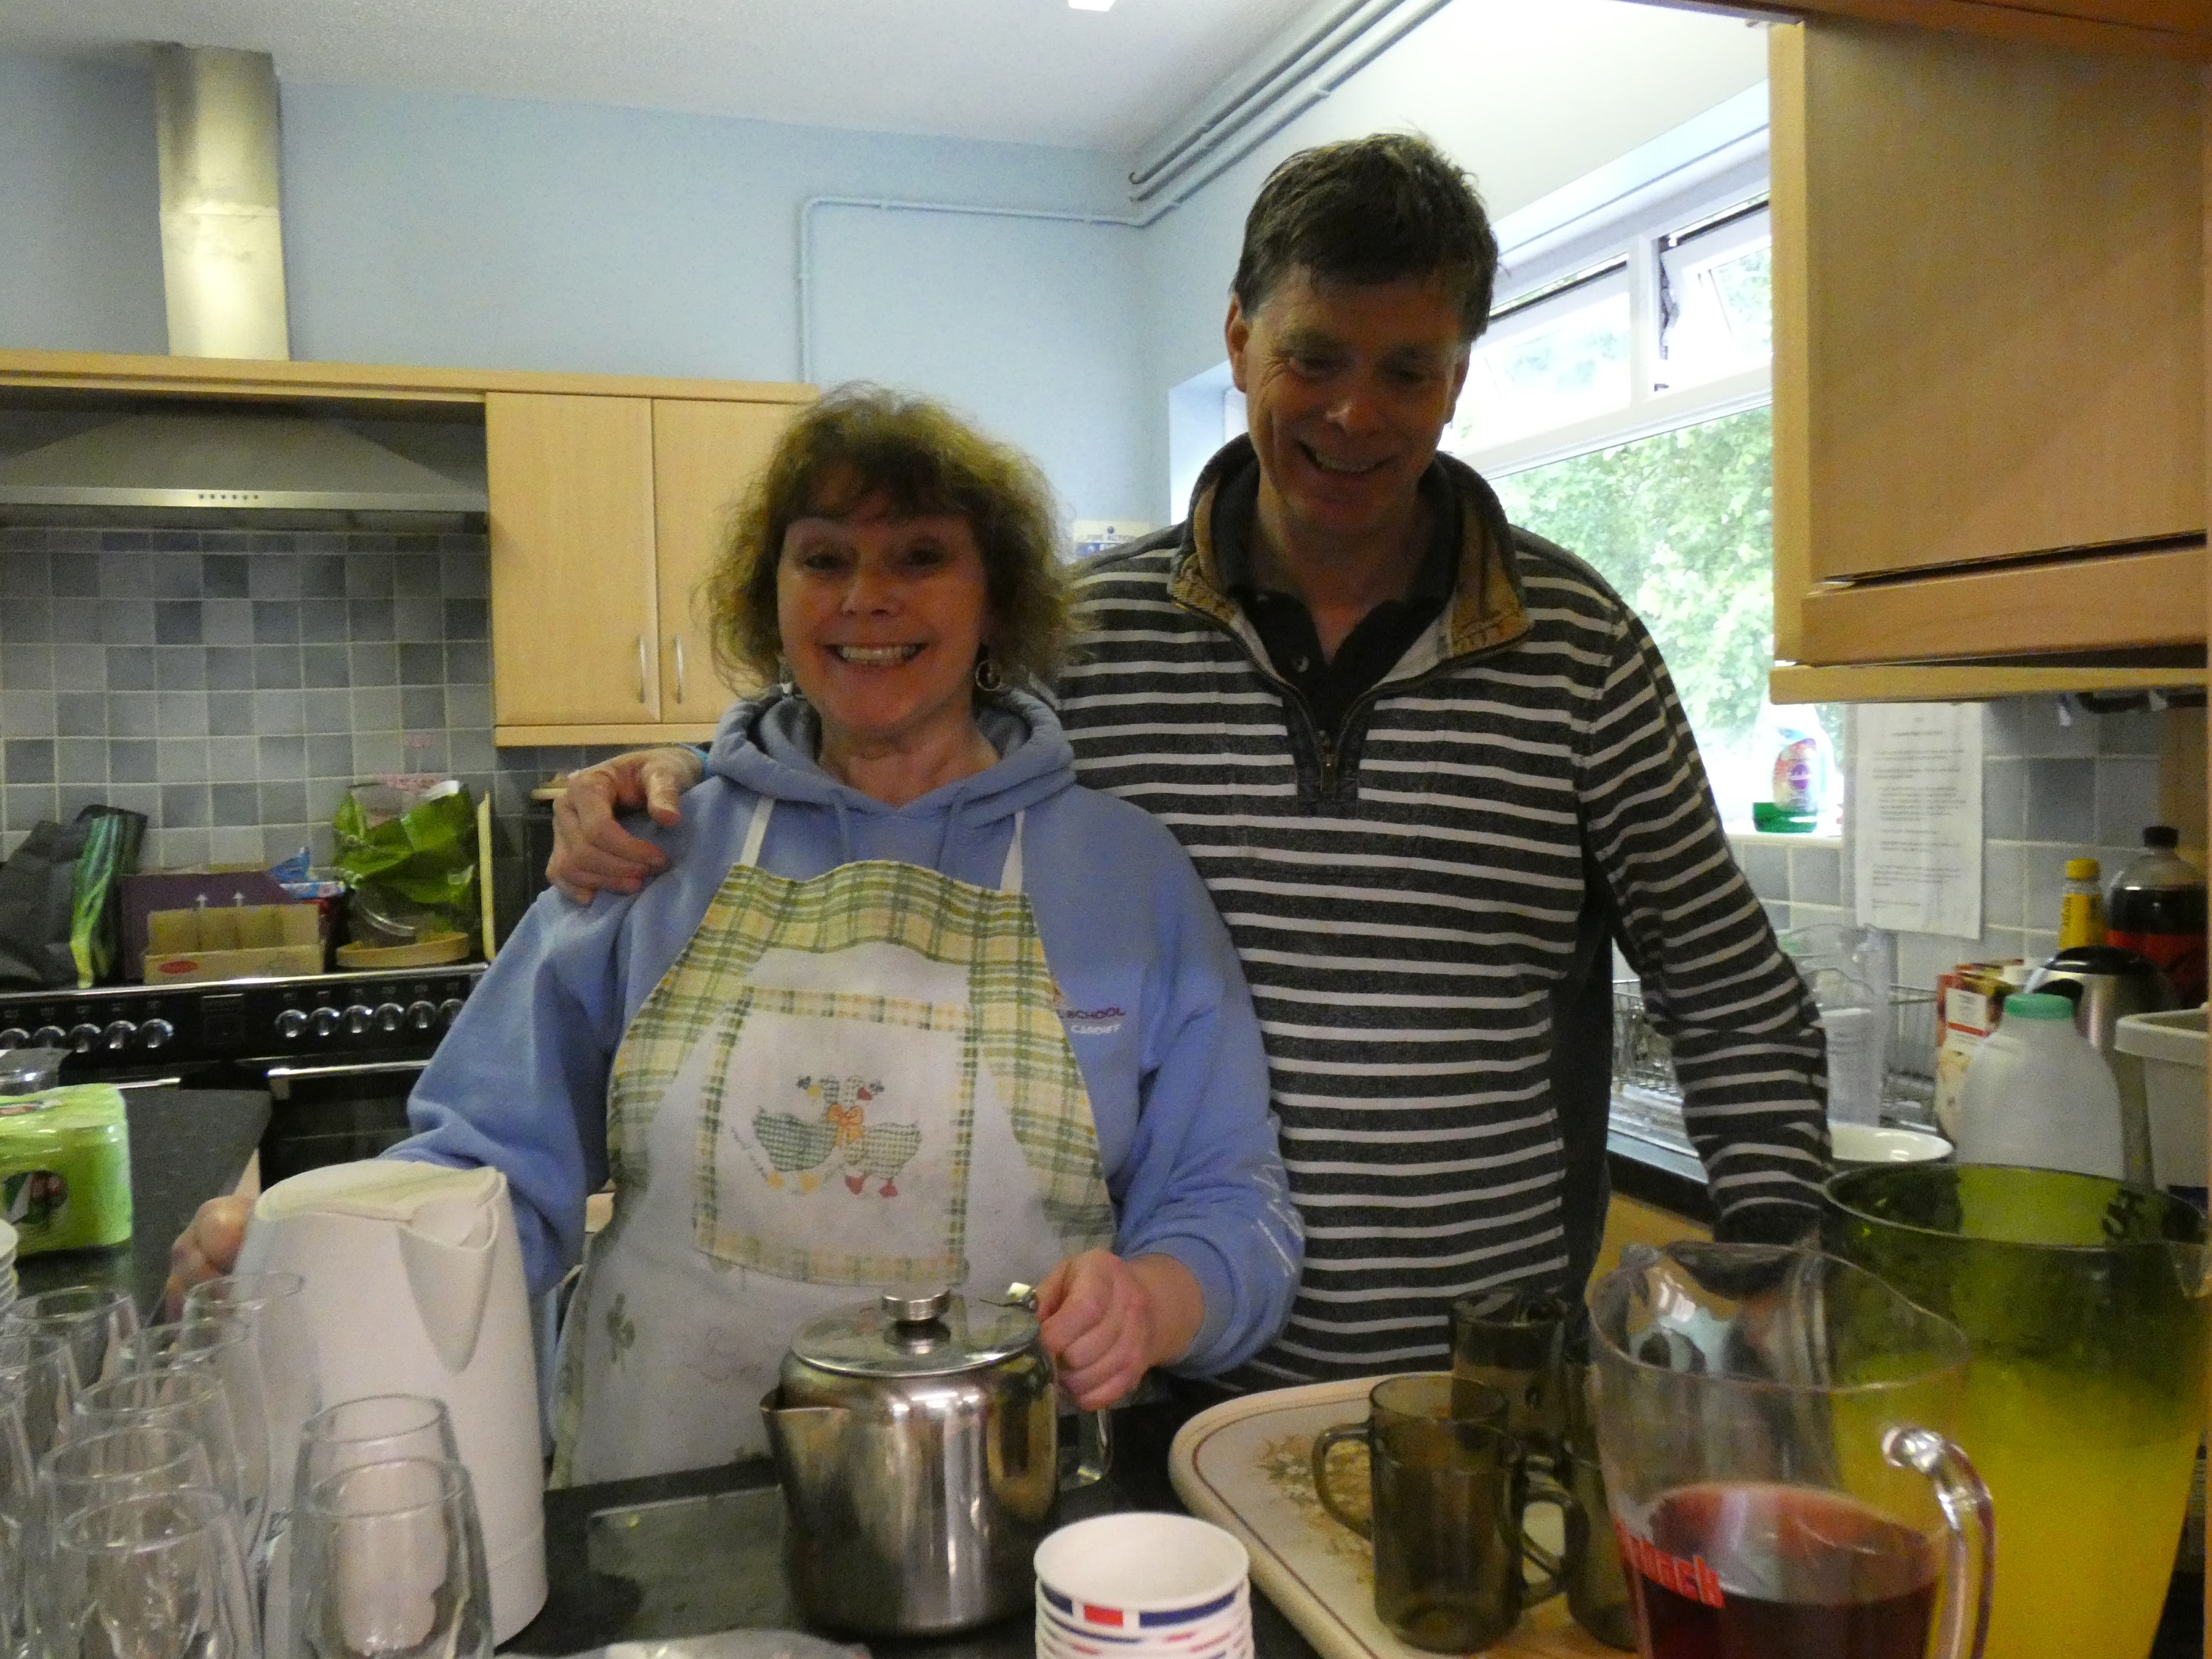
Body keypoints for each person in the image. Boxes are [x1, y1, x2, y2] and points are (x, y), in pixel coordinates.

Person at [536, 134, 1830, 1390]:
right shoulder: (1088, 637)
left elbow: (1727, 989)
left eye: (1405, 370)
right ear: (1238, 339)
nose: (1353, 412)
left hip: (1480, 1376)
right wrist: (678, 774)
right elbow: (872, 730)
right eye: (1311, 357)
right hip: (1155, 1381)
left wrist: (1771, 1261)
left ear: (1456, 377)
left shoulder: (1579, 651)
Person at [170, 387, 1300, 1482]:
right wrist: (308, 1250)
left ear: (996, 600)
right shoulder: (646, 849)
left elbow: (1227, 1200)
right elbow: (486, 1173)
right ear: (771, 599)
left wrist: (1152, 1302)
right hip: (659, 1515)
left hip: (996, 1511)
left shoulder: (1126, 876)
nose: (866, 598)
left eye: (919, 557)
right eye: (823, 559)